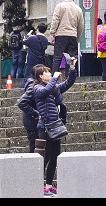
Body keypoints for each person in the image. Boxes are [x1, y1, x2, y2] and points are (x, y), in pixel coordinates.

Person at [32, 62, 78, 196]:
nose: (50, 73)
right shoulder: (37, 88)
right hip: (45, 128)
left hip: (55, 126)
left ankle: (48, 186)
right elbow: (45, 91)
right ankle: (37, 185)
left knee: (55, 156)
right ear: (41, 76)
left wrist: (73, 68)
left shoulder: (53, 87)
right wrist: (54, 79)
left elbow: (68, 83)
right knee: (45, 157)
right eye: (47, 72)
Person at [47, 0, 83, 73]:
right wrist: (77, 38)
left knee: (57, 58)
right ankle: (71, 76)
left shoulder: (60, 6)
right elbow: (81, 25)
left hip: (61, 34)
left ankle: (54, 78)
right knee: (72, 58)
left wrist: (52, 33)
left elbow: (55, 20)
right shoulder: (78, 9)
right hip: (73, 35)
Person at [16, 77, 41, 153]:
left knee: (35, 144)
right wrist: (35, 113)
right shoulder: (32, 87)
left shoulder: (31, 87)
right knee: (34, 144)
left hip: (30, 121)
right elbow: (21, 103)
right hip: (31, 121)